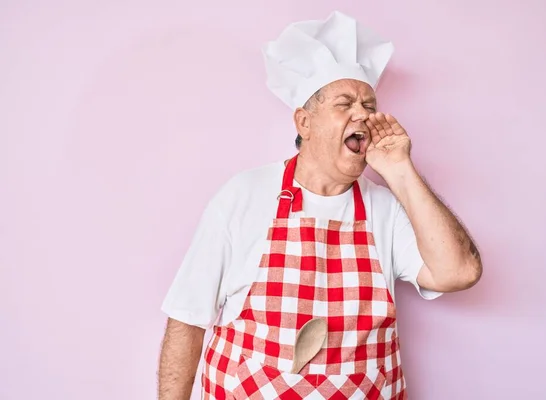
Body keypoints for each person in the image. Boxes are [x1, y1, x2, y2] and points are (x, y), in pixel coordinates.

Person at [157, 10, 482, 400]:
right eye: (344, 103)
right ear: (304, 123)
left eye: (368, 103)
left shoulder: (386, 208)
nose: (363, 113)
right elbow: (186, 322)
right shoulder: (243, 196)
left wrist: (400, 171)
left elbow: (458, 272)